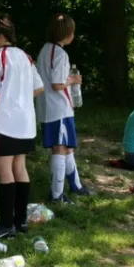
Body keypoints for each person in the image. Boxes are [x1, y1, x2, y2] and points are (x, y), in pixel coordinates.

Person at [0, 15, 44, 239]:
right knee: (20, 168)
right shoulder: (25, 57)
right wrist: (19, 95)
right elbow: (39, 88)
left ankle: (7, 225)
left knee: (3, 169)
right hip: (26, 122)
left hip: (6, 122)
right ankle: (21, 221)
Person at [35, 12, 91, 204]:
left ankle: (76, 185)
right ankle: (57, 195)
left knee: (67, 147)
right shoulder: (60, 54)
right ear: (67, 34)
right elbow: (58, 84)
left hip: (48, 107)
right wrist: (73, 80)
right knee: (60, 148)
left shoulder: (45, 50)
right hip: (57, 108)